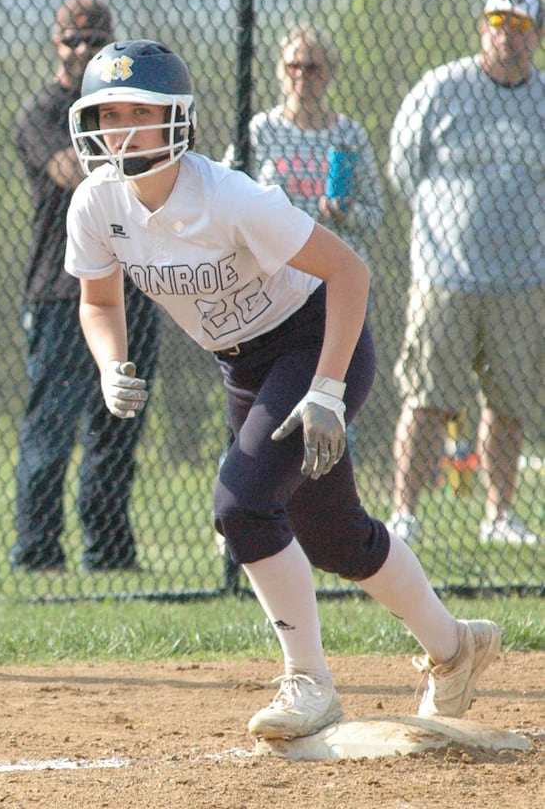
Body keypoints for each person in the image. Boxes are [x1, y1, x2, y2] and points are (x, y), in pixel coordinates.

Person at [64, 38, 501, 739]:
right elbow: (99, 302)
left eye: (137, 112)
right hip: (245, 367)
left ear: (176, 117)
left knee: (240, 506)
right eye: (106, 112)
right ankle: (455, 650)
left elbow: (349, 274)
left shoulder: (229, 197)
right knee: (335, 538)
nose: (118, 128)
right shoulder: (95, 204)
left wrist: (326, 390)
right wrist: (110, 361)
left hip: (315, 340)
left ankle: (309, 682)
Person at [387, 0, 544, 548]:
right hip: (444, 276)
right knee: (428, 398)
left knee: (509, 404)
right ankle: (404, 512)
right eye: (498, 21)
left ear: (538, 36)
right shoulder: (442, 88)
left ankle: (499, 516)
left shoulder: (542, 98)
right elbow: (403, 166)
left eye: (521, 25)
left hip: (523, 281)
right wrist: (444, 227)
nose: (508, 34)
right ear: (483, 27)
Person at [10, 0, 160, 573]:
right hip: (60, 293)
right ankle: (38, 554)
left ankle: (109, 553)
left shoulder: (121, 107)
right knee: (51, 432)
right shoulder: (44, 112)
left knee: (117, 430)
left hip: (136, 287)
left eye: (95, 43)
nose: (81, 52)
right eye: (73, 42)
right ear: (56, 45)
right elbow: (75, 172)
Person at [233, 25, 385, 264]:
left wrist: (346, 214)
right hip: (276, 267)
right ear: (281, 72)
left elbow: (375, 214)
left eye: (313, 68)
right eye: (293, 66)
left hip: (334, 266)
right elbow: (228, 198)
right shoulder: (260, 131)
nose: (302, 75)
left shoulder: (350, 135)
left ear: (329, 73)